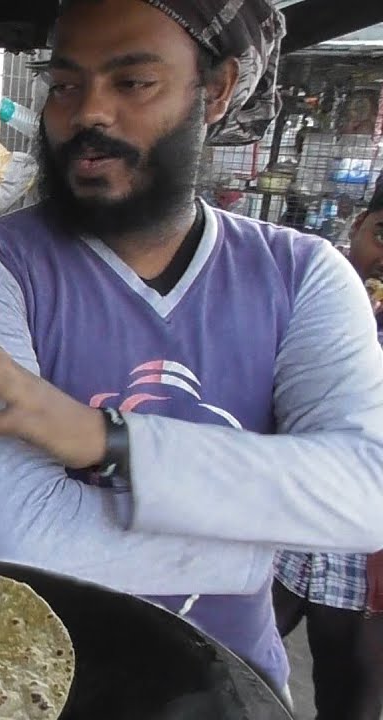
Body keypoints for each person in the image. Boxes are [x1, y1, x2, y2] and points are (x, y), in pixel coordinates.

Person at [0, 0, 383, 704]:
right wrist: (273, 534)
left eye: (133, 82)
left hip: (231, 689)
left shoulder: (303, 275)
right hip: (29, 688)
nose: (88, 115)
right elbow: (37, 539)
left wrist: (105, 439)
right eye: (66, 85)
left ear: (218, 89)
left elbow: (366, 489)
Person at [272, 177, 383, 720]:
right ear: (360, 226)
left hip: (368, 565)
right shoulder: (307, 296)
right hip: (280, 540)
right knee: (225, 663)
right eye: (381, 235)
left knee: (352, 699)